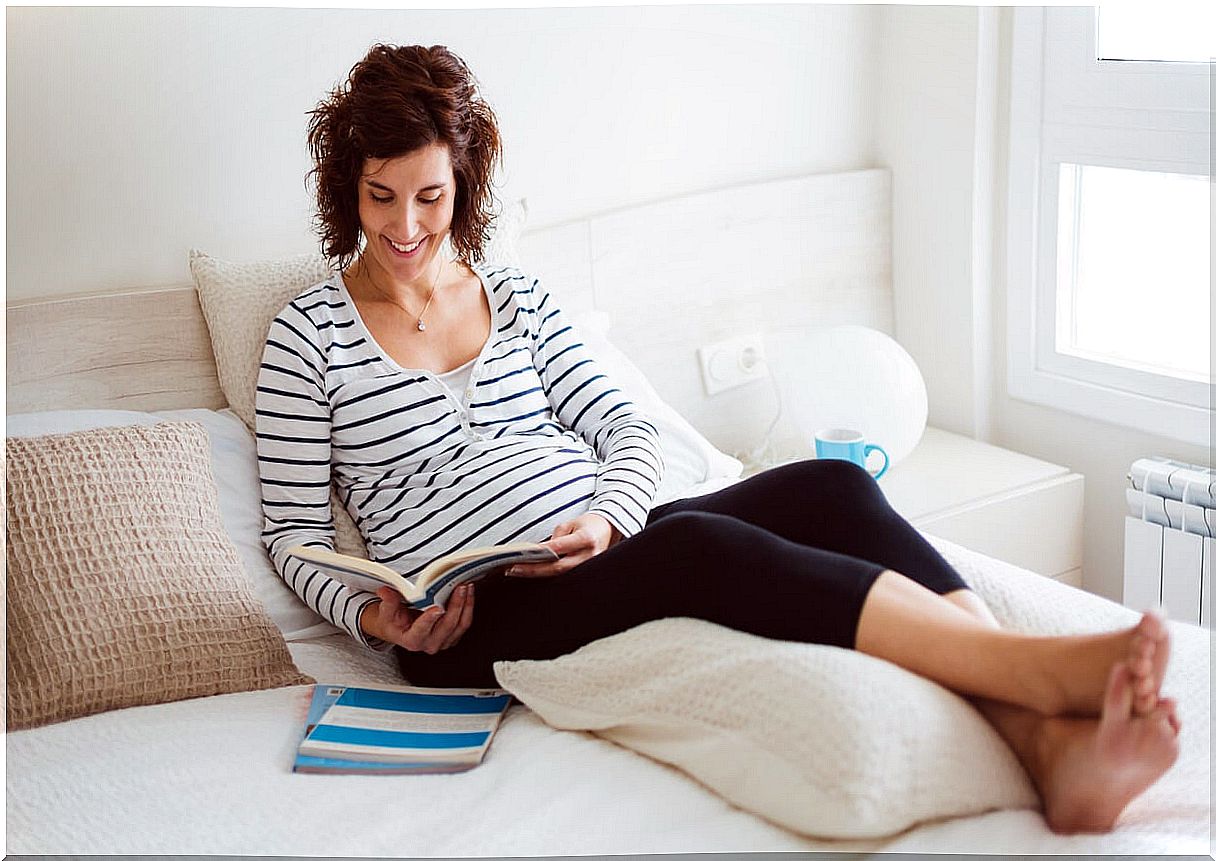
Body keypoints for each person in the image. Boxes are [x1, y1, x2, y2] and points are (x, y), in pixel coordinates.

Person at [256, 43, 1179, 834]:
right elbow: (293, 534)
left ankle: (1042, 741)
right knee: (699, 543)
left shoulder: (520, 298)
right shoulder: (309, 334)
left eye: (430, 196)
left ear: (465, 183)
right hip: (466, 619)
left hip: (593, 550)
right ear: (350, 186)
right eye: (381, 197)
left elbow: (623, 428)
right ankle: (1036, 673)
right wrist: (378, 617)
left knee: (832, 489)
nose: (407, 227)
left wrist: (612, 518)